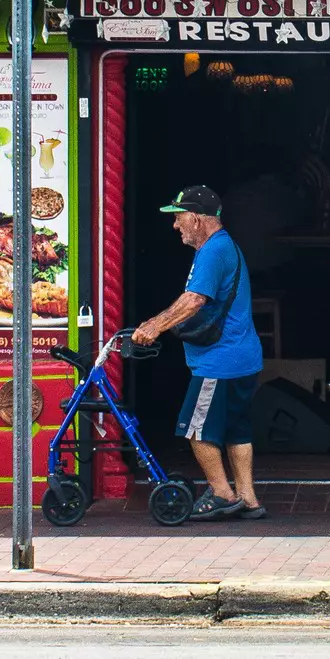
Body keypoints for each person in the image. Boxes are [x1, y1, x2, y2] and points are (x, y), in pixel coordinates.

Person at [134, 185, 267, 521]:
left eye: (178, 218)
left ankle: (222, 494)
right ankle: (249, 499)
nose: (175, 225)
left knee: (196, 429)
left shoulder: (212, 252)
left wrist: (155, 325)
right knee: (237, 430)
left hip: (220, 362)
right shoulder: (226, 247)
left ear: (195, 217)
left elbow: (194, 299)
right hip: (243, 358)